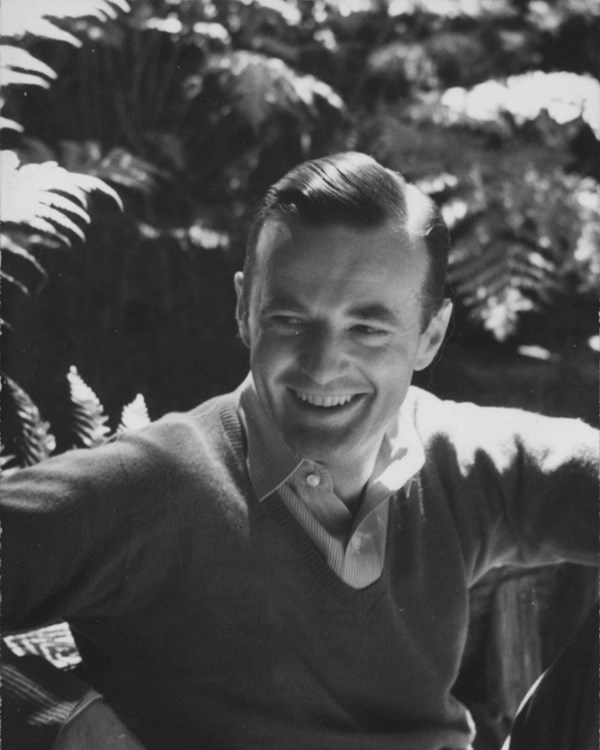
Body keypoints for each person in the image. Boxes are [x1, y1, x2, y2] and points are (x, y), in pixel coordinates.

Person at [2, 152, 597, 750]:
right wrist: (69, 721)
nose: (323, 364)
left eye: (367, 329)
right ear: (244, 310)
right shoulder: (148, 485)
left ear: (431, 335)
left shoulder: (460, 456)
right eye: (290, 319)